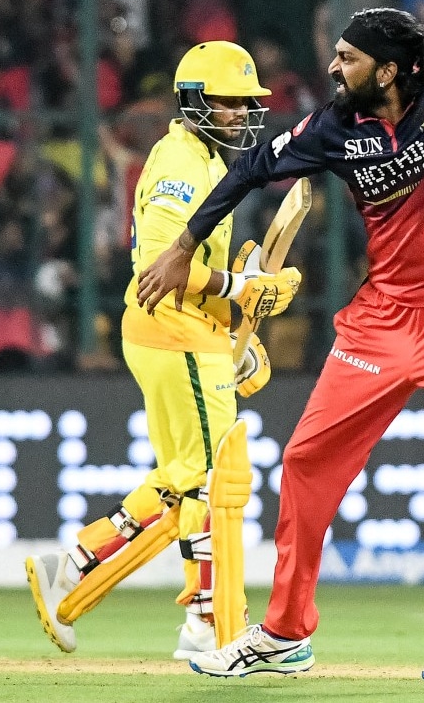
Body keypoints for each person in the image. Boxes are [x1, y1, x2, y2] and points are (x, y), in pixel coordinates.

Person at [138, 0, 424, 691]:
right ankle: (284, 634)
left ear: (388, 70)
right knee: (305, 463)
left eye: (348, 58)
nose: (333, 67)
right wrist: (184, 245)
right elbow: (250, 172)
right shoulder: (333, 127)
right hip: (382, 320)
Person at [25, 40, 301, 659]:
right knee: (211, 481)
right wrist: (240, 289)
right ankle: (207, 622)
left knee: (181, 483)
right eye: (228, 102)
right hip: (174, 333)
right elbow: (160, 263)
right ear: (194, 100)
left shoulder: (200, 157)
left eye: (246, 103)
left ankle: (71, 567)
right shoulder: (182, 163)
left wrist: (230, 329)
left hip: (182, 333)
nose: (240, 113)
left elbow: (189, 267)